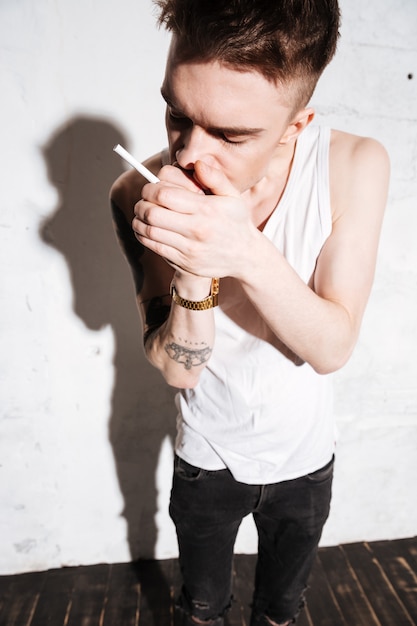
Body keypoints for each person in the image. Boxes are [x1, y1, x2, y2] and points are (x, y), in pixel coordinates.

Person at [110, 1, 389, 624]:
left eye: (230, 135)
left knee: (281, 609)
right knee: (201, 608)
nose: (185, 154)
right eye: (176, 113)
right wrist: (194, 273)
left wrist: (243, 250)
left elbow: (332, 346)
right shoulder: (136, 192)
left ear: (296, 124)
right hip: (207, 454)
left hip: (305, 456)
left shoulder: (352, 166)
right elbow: (178, 367)